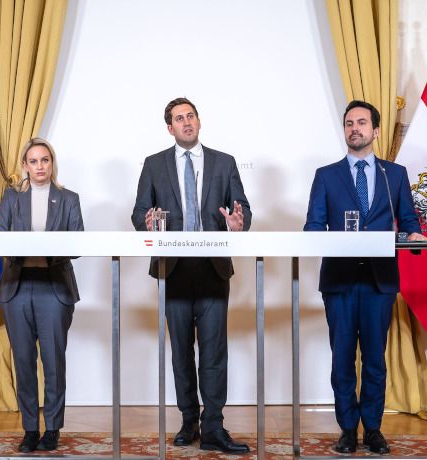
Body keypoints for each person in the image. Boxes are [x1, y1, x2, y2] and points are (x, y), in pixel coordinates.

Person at [303, 100, 426, 455]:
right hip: (339, 281)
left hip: (379, 281)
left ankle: (372, 428)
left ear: (375, 130)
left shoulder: (395, 175)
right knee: (342, 358)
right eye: (348, 123)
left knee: (374, 358)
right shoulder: (326, 175)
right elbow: (313, 226)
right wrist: (333, 237)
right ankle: (346, 429)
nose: (354, 128)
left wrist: (415, 237)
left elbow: (409, 222)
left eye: (361, 122)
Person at [130, 97, 252, 454]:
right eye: (179, 118)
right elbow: (139, 214)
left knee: (214, 351)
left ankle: (214, 426)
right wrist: (147, 223)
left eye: (191, 116)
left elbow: (243, 212)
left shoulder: (224, 162)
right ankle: (188, 420)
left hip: (213, 269)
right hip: (173, 270)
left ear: (199, 122)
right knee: (181, 350)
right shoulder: (154, 165)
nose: (186, 122)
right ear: (170, 127)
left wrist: (237, 224)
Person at [0, 138, 84, 453]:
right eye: (33, 161)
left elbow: (78, 244)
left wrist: (46, 248)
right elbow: (0, 237)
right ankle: (30, 428)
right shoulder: (11, 197)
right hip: (17, 286)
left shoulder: (69, 199)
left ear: (52, 163)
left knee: (53, 361)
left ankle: (53, 429)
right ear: (25, 166)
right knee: (23, 360)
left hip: (54, 286)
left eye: (45, 160)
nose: (40, 166)